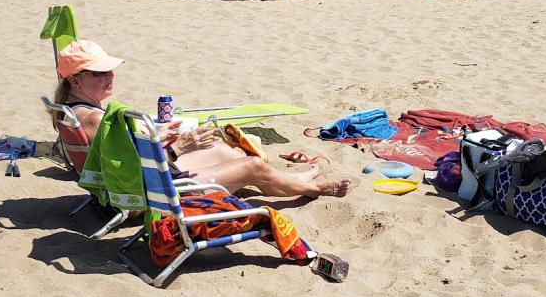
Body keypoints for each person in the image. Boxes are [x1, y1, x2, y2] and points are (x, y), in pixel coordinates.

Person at [51, 40, 353, 198]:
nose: (110, 76)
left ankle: (290, 180)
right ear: (76, 81)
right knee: (250, 164)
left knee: (223, 149)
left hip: (131, 181)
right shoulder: (93, 118)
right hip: (144, 192)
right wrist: (178, 147)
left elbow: (120, 155)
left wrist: (161, 135)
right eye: (99, 73)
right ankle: (312, 188)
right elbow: (132, 166)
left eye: (110, 70)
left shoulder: (74, 110)